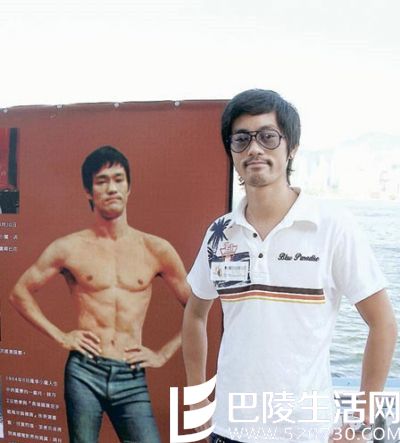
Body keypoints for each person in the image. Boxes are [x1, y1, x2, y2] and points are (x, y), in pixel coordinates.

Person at [182, 89, 397, 443]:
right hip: (229, 430)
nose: (254, 148)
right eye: (241, 139)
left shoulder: (331, 226)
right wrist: (196, 401)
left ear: (291, 147)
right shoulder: (220, 233)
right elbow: (194, 315)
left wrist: (361, 420)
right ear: (231, 150)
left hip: (307, 432)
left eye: (268, 137)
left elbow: (383, 323)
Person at [9, 146, 190, 443]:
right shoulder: (69, 247)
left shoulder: (155, 249)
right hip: (84, 372)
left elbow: (197, 309)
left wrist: (163, 354)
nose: (111, 188)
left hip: (131, 374)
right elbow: (19, 293)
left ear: (129, 187)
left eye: (118, 179)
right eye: (102, 181)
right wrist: (61, 336)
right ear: (88, 191)